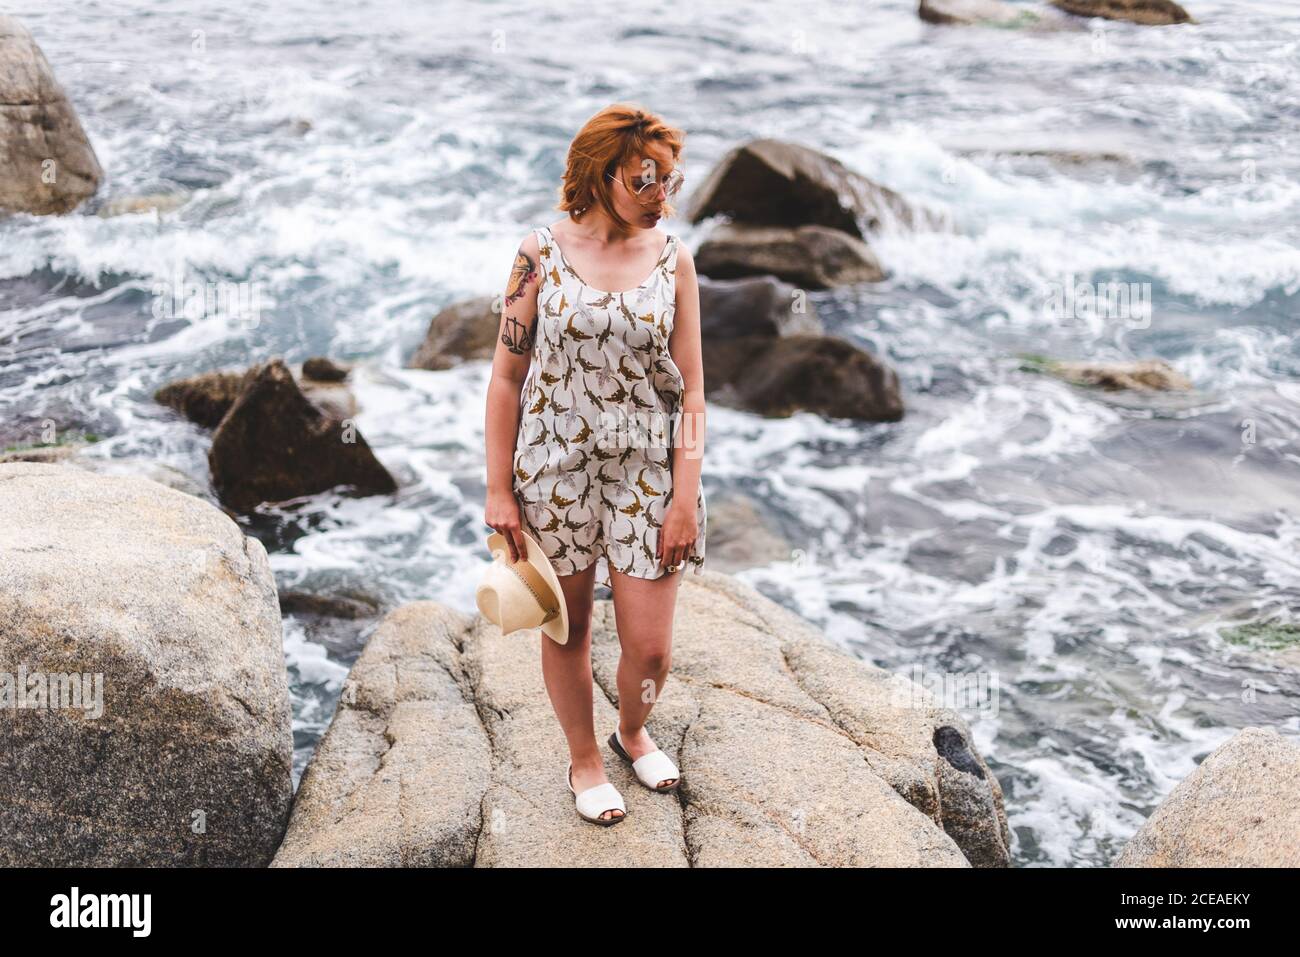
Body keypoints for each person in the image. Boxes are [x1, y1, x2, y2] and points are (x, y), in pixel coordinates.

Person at [483, 103, 708, 824]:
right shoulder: (537, 254)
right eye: (645, 181)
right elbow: (506, 378)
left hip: (647, 469)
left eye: (667, 181)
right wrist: (498, 489)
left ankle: (632, 730)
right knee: (569, 629)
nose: (660, 197)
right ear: (602, 174)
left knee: (651, 649)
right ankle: (584, 757)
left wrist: (685, 496)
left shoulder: (675, 260)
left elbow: (693, 387)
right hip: (556, 467)